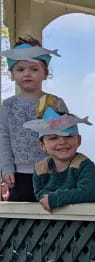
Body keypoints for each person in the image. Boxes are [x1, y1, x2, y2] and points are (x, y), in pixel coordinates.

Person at [0, 36, 67, 202]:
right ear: (12, 74)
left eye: (34, 69)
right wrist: (6, 168)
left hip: (52, 172)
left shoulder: (56, 103)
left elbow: (67, 136)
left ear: (45, 73)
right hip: (19, 175)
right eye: (20, 69)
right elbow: (4, 138)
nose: (27, 74)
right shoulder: (7, 106)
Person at [24, 107, 95, 212]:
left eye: (69, 136)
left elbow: (90, 192)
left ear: (79, 140)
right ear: (42, 145)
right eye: (53, 138)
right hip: (60, 225)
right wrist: (54, 199)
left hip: (90, 223)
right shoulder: (40, 169)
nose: (62, 141)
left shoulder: (84, 164)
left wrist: (57, 198)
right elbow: (41, 195)